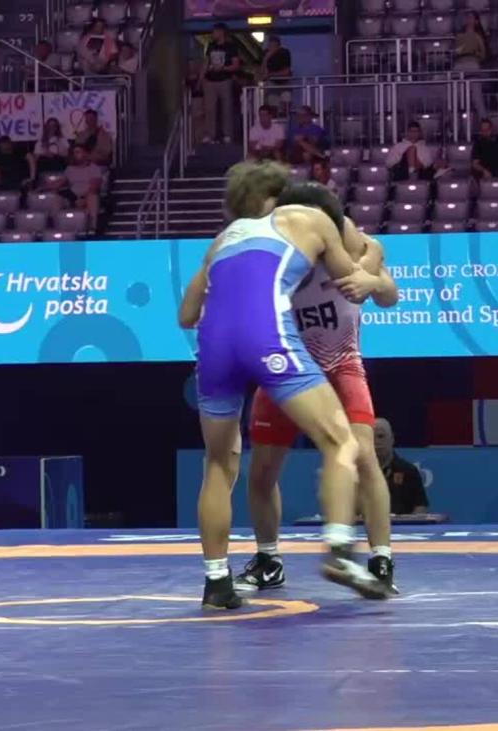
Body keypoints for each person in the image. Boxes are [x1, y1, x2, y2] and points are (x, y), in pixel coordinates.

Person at [178, 163, 390, 609]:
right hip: (266, 337)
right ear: (277, 197)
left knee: (218, 465)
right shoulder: (307, 217)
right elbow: (350, 280)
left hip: (213, 346)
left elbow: (186, 315)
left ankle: (216, 582)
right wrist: (373, 254)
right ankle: (339, 549)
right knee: (340, 442)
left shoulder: (221, 241)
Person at [237, 217, 401, 596]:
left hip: (341, 366)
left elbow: (389, 295)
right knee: (261, 471)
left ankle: (381, 560)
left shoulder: (350, 247)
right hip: (288, 368)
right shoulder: (275, 253)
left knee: (364, 457)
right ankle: (268, 561)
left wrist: (374, 280)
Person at [373, 418, 429, 515]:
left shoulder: (408, 470)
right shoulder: (357, 472)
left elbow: (421, 506)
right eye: (371, 437)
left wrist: (409, 523)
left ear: (392, 439)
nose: (376, 441)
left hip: (400, 523)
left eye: (381, 436)